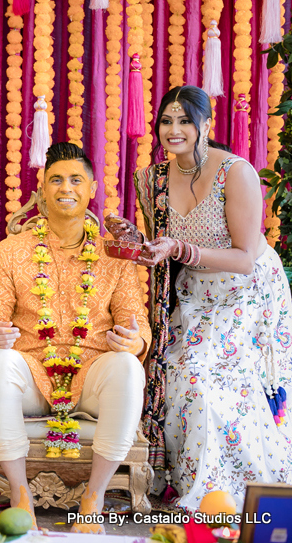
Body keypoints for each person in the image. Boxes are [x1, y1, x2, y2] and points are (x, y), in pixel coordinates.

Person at [106, 85, 292, 511]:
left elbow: (245, 258)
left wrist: (181, 250)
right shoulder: (150, 179)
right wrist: (137, 241)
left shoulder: (235, 172)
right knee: (172, 376)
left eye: (185, 120)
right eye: (166, 121)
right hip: (193, 293)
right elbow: (162, 245)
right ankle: (176, 475)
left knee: (205, 382)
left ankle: (218, 491)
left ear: (205, 124)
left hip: (247, 294)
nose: (174, 130)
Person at [0, 143, 150, 534]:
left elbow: (137, 325)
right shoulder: (11, 251)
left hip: (92, 376)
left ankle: (94, 497)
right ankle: (21, 495)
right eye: (55, 179)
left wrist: (133, 342)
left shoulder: (115, 254)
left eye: (75, 179)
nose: (64, 187)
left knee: (125, 366)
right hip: (32, 377)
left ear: (91, 188)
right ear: (41, 189)